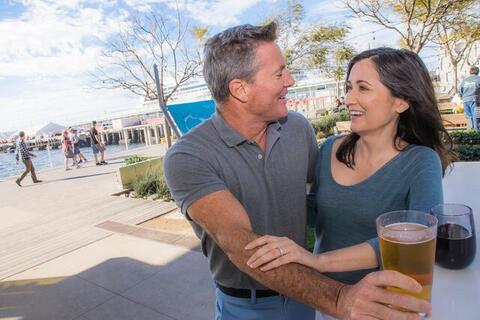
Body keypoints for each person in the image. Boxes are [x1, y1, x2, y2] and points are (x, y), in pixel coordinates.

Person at [164, 24, 431, 320]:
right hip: (248, 306)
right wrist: (339, 297)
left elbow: (319, 204)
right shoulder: (188, 155)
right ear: (240, 89)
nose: (289, 81)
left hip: (310, 294)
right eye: (279, 73)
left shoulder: (298, 128)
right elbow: (240, 245)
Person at [245, 47, 455, 319]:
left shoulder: (421, 161)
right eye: (348, 87)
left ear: (400, 102)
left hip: (381, 303)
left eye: (363, 88)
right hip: (324, 296)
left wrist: (317, 260)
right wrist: (261, 192)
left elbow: (417, 236)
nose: (348, 99)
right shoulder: (331, 148)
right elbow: (318, 213)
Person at [459, 66, 480, 130]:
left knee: (469, 117)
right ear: (478, 72)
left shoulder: (464, 80)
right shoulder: (478, 79)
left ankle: (469, 133)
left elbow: (460, 91)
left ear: (470, 72)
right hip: (475, 100)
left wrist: (462, 97)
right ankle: (476, 133)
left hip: (465, 100)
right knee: (476, 116)